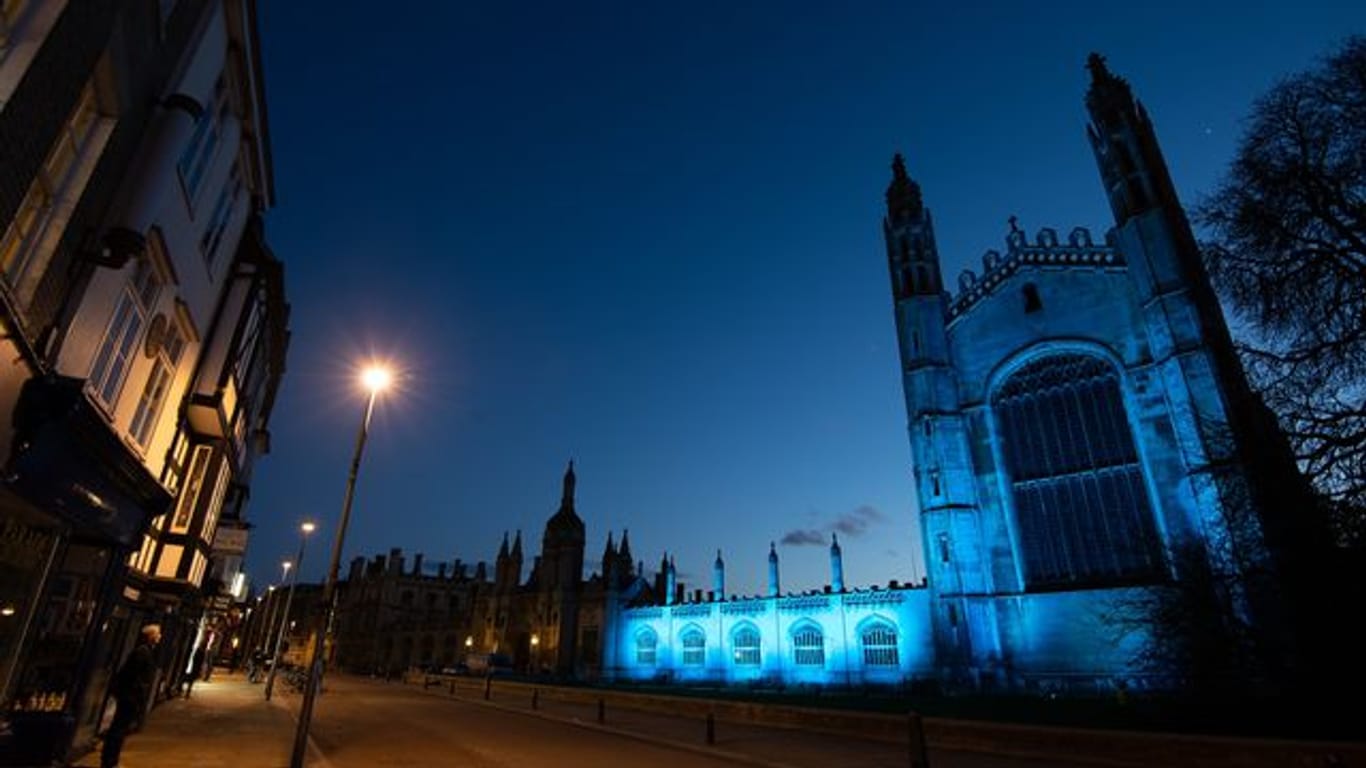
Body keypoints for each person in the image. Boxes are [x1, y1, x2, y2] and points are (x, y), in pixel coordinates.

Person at [101, 623, 161, 768]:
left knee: (120, 728)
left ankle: (111, 760)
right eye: (158, 634)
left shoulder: (144, 651)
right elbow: (133, 675)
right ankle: (109, 761)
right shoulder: (142, 652)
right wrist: (136, 694)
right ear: (151, 636)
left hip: (130, 695)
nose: (160, 636)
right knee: (119, 728)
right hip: (130, 696)